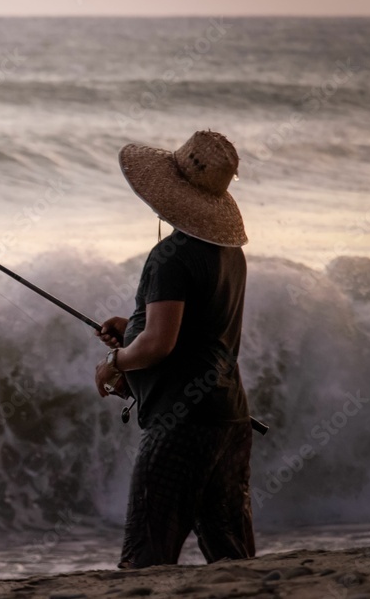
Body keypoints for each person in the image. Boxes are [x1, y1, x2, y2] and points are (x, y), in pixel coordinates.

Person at [93, 130, 256, 568]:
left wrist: (114, 362)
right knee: (232, 556)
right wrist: (134, 326)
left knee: (145, 555)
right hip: (230, 419)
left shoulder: (171, 256)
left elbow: (159, 345)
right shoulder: (230, 254)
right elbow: (198, 327)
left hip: (181, 423)